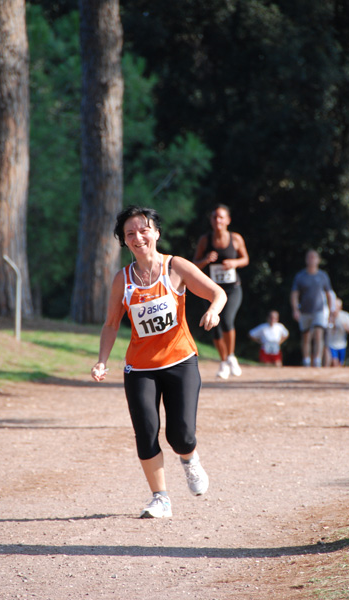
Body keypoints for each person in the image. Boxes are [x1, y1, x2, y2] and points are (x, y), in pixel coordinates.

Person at [91, 205, 227, 520]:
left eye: (143, 230)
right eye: (130, 233)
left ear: (156, 233)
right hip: (139, 368)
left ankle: (190, 459)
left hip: (180, 360)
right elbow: (111, 324)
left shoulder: (175, 267)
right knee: (146, 430)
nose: (138, 237)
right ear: (124, 242)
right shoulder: (122, 280)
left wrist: (213, 310)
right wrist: (101, 361)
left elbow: (217, 293)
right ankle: (160, 497)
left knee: (181, 435)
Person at [193, 204, 249, 379]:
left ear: (228, 220)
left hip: (232, 289)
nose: (218, 220)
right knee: (214, 325)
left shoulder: (236, 239)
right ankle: (224, 362)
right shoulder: (205, 240)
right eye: (215, 217)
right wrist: (205, 260)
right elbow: (194, 266)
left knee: (226, 319)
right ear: (211, 220)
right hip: (211, 290)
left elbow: (245, 259)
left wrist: (235, 263)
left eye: (221, 217)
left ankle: (231, 356)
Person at [290, 249, 334, 367]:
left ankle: (317, 360)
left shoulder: (323, 276)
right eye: (309, 257)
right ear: (306, 260)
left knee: (319, 334)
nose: (311, 260)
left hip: (319, 310)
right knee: (306, 336)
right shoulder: (300, 276)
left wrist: (331, 311)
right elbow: (295, 294)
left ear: (318, 260)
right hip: (304, 310)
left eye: (314, 257)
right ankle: (306, 360)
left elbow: (329, 294)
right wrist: (295, 309)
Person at [327, 298, 349, 366]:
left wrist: (345, 327)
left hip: (342, 344)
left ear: (340, 307)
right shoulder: (328, 316)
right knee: (334, 362)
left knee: (340, 364)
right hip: (331, 344)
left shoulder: (345, 316)